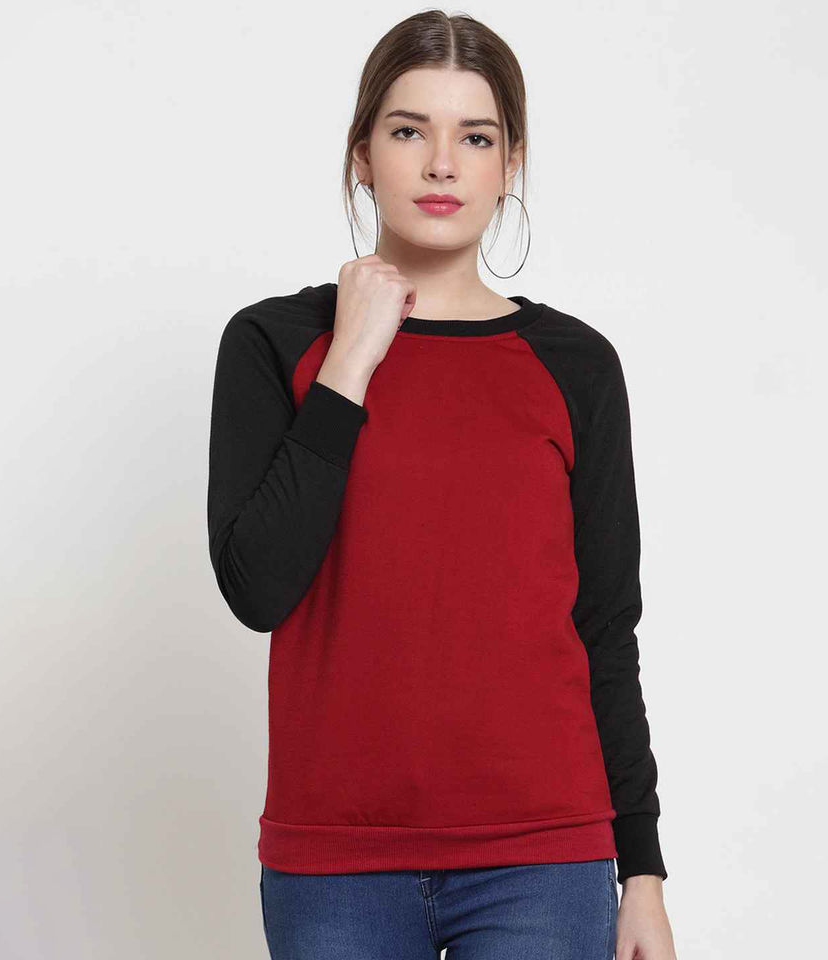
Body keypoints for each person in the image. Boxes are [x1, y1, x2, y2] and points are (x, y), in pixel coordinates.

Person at [207, 10, 677, 960]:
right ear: (362, 156)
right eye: (408, 130)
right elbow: (257, 588)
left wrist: (643, 873)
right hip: (334, 861)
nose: (441, 165)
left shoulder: (575, 365)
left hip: (543, 859)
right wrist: (351, 361)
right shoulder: (276, 345)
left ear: (511, 165)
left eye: (476, 138)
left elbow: (603, 627)